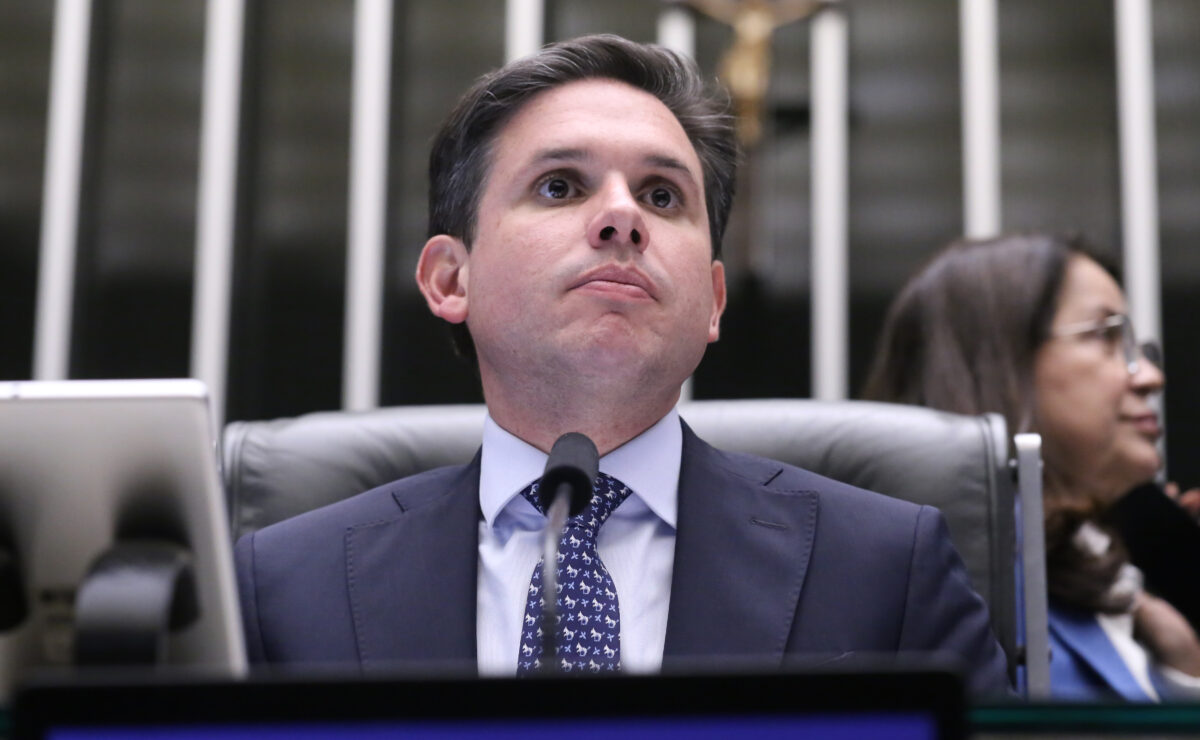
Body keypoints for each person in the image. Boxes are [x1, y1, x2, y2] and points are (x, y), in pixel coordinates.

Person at [233, 34, 1009, 695]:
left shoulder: (883, 569)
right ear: (450, 280)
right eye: (560, 186)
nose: (622, 218)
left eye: (662, 197)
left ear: (712, 301)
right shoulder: (287, 587)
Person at [863, 232, 1200, 700]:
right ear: (996, 363)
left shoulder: (1111, 578)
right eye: (1105, 336)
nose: (1150, 377)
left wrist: (1184, 674)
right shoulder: (950, 588)